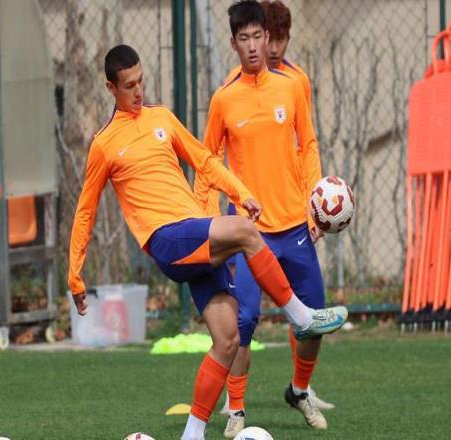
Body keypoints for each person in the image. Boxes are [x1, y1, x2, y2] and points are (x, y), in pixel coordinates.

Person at [68, 44, 347, 440]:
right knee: (247, 232)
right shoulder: (104, 143)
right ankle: (302, 317)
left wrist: (240, 191)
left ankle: (192, 434)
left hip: (193, 232)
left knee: (228, 338)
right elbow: (85, 210)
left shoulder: (162, 118)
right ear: (111, 88)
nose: (138, 91)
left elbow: (204, 159)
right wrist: (75, 274)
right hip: (167, 239)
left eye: (141, 81)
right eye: (129, 86)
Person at [193, 1, 333, 436]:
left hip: (294, 225)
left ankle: (300, 390)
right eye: (245, 38)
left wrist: (314, 202)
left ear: (267, 38)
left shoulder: (293, 86)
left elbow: (308, 144)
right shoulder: (223, 98)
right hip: (247, 232)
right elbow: (207, 162)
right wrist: (207, 220)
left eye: (259, 37)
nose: (254, 46)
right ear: (233, 43)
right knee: (244, 321)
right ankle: (236, 410)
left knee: (313, 319)